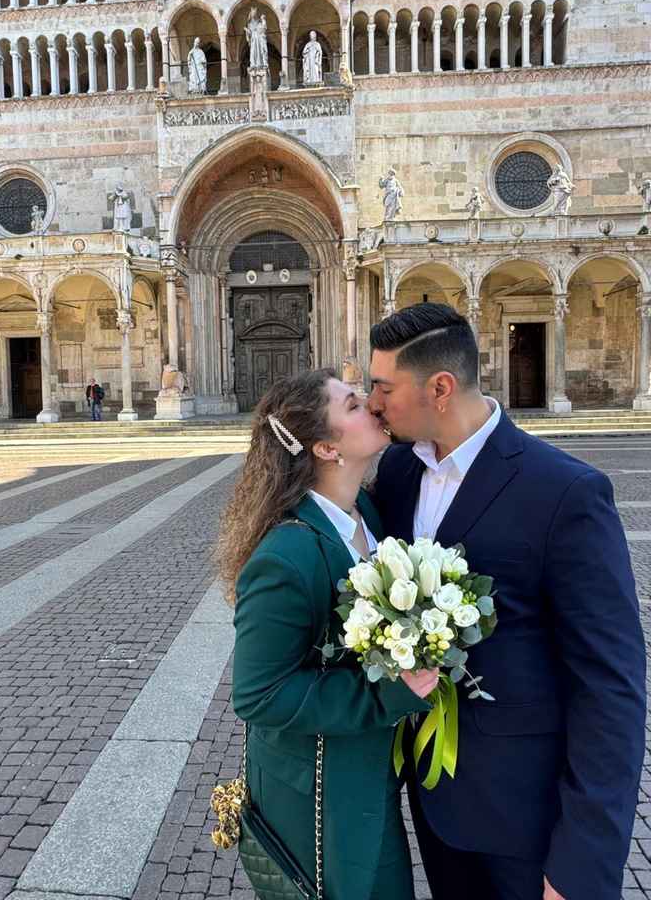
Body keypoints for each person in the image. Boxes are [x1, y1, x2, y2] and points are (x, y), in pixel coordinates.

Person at [367, 302, 646, 900]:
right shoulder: (395, 473)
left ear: (440, 387)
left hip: (529, 826)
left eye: (384, 388)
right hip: (435, 808)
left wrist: (582, 867)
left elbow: (611, 687)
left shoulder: (565, 492)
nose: (373, 403)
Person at [221, 369, 439, 900]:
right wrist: (390, 693)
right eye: (352, 404)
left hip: (362, 772)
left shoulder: (364, 512)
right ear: (326, 447)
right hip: (317, 792)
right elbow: (257, 694)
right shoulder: (285, 557)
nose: (371, 404)